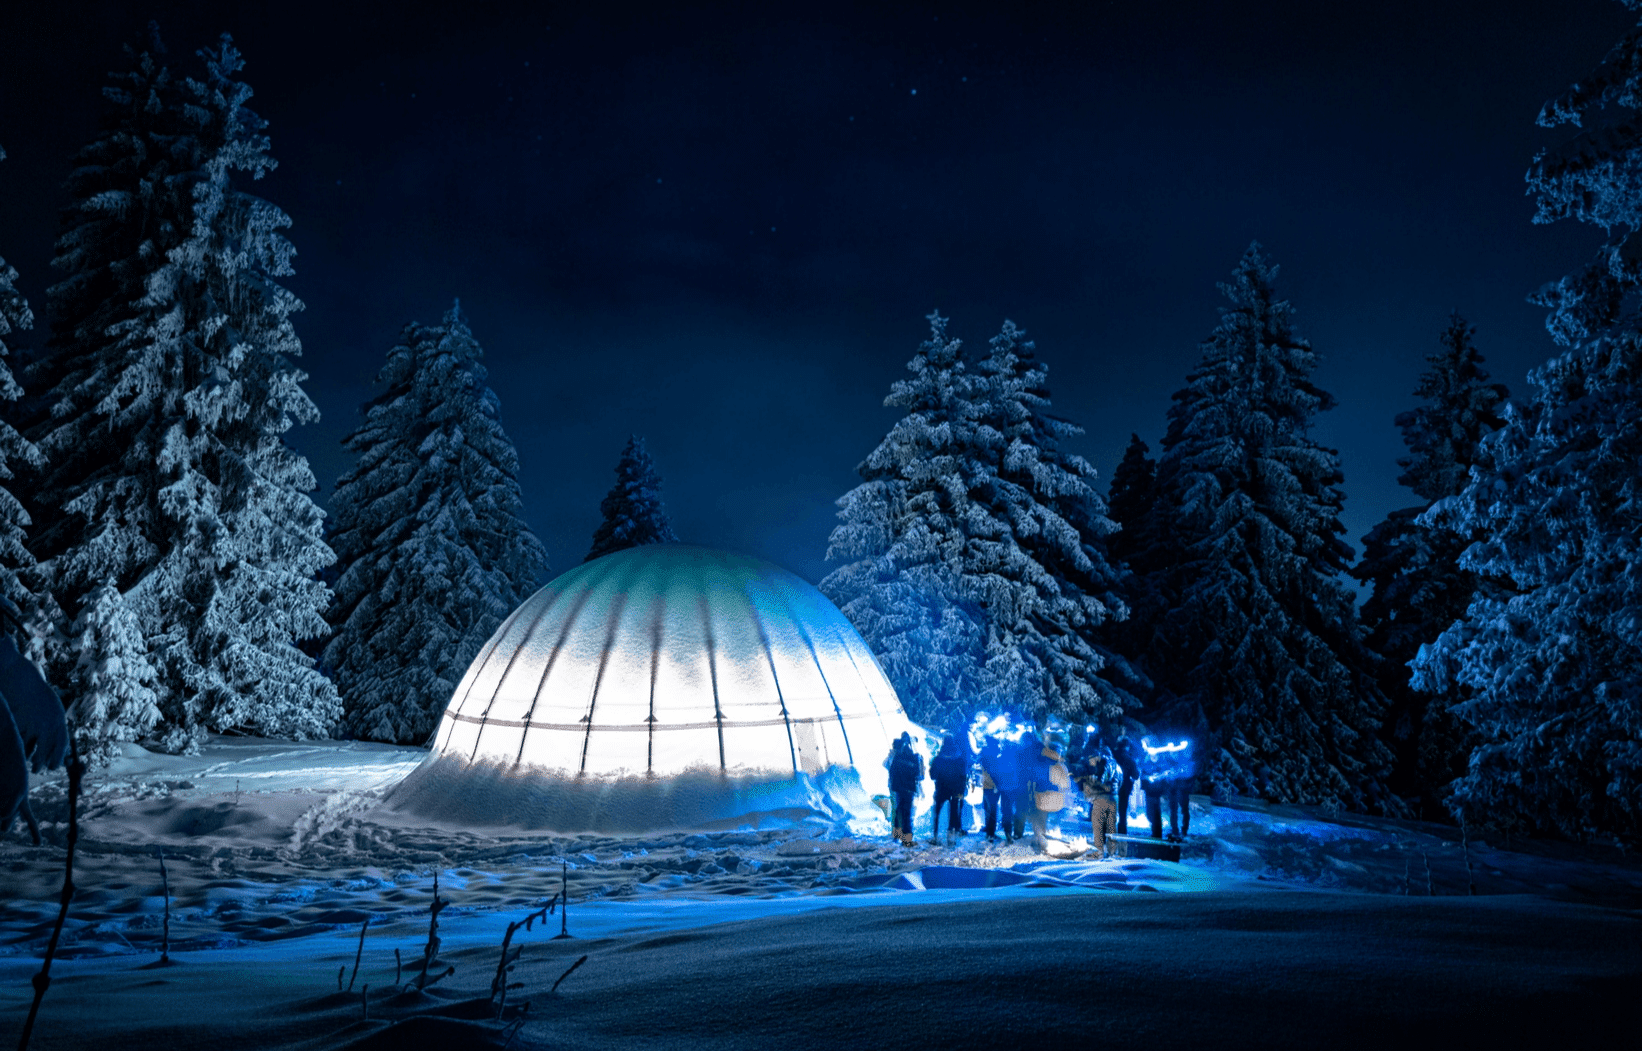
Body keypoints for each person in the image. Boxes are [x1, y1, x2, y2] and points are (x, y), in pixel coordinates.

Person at [1023, 731, 1070, 853]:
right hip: (1050, 796)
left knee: (1039, 821)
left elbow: (1036, 778)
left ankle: (1041, 844)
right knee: (1042, 821)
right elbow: (1065, 784)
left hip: (1043, 795)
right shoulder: (1059, 765)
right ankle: (1042, 844)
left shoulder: (1043, 762)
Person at [884, 732, 923, 847]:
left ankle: (897, 835)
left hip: (898, 788)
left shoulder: (897, 756)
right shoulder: (914, 757)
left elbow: (891, 770)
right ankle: (907, 840)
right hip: (909, 789)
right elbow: (918, 775)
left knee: (898, 811)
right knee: (907, 814)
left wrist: (893, 784)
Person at [928, 733, 967, 846]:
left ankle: (935, 836)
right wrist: (961, 790)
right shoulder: (959, 758)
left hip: (941, 788)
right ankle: (951, 838)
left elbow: (932, 775)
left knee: (937, 812)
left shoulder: (938, 758)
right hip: (955, 790)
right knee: (954, 812)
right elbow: (963, 775)